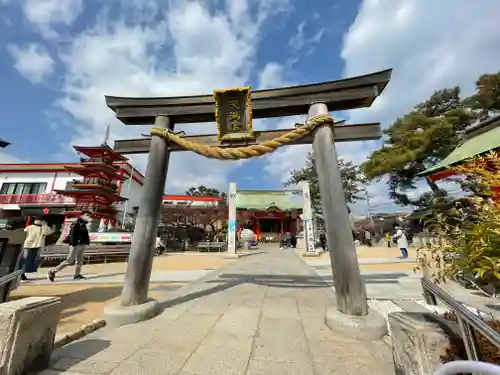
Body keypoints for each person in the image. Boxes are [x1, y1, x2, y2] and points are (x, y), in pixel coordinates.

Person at [47, 217, 90, 282]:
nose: (85, 223)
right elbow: (72, 235)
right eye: (84, 222)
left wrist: (86, 243)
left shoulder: (83, 226)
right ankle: (52, 271)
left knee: (79, 261)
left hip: (82, 245)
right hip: (75, 245)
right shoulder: (75, 225)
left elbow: (85, 235)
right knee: (69, 260)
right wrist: (74, 244)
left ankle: (77, 275)